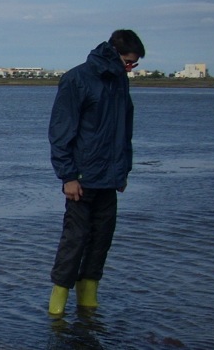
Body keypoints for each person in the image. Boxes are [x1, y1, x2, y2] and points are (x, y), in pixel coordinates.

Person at [47, 29, 145, 316]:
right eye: (128, 62)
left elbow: (124, 129)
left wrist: (123, 170)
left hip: (109, 179)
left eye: (133, 65)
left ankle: (88, 306)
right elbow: (61, 131)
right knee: (74, 242)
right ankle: (57, 310)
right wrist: (68, 176)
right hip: (81, 179)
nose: (130, 68)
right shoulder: (77, 79)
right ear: (114, 53)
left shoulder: (119, 82)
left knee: (102, 239)